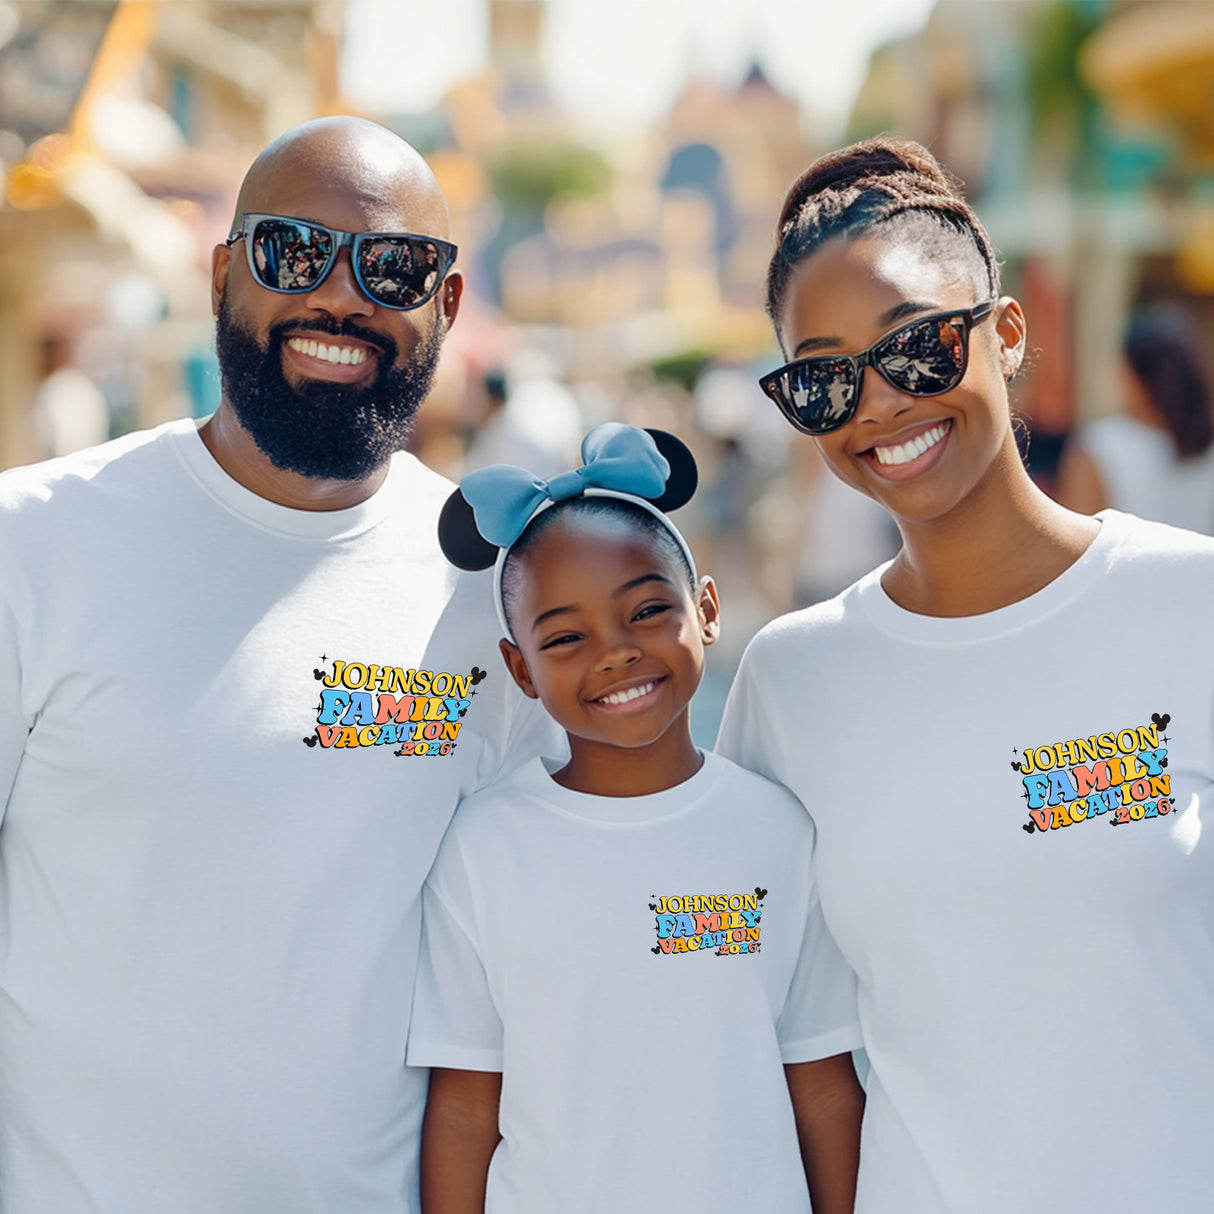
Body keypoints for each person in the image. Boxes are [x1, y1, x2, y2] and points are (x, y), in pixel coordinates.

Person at [0, 116, 557, 1214]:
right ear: (224, 274)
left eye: (393, 266)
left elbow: (525, 970)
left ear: (445, 306)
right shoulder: (33, 544)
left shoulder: (499, 591)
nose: (340, 297)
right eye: (292, 252)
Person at [717, 137, 1214, 1212]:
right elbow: (774, 1030)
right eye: (823, 377)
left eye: (913, 347)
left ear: (1008, 332)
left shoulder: (1190, 606)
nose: (879, 403)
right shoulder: (791, 681)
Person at [408, 423, 865, 1214]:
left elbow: (821, 1087)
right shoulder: (482, 849)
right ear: (519, 667)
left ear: (708, 608)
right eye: (564, 636)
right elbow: (463, 1105)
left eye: (647, 609)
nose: (614, 653)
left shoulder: (779, 832)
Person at [1056, 304, 1214, 531]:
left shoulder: (1100, 443)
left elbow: (1074, 538)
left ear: (1137, 377)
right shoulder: (1205, 440)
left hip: (1128, 566)